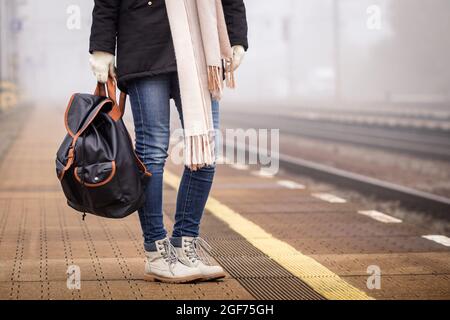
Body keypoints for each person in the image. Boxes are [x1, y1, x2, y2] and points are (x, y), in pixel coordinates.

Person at [89, 0, 248, 283]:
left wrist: (237, 37)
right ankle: (156, 251)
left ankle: (185, 245)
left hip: (200, 49)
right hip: (144, 47)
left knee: (206, 150)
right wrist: (102, 48)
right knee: (152, 152)